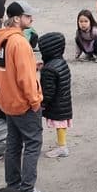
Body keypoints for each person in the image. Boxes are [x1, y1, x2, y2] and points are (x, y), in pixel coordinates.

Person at [0, 2, 49, 192]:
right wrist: (35, 102)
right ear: (17, 19)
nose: (31, 20)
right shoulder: (20, 43)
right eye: (28, 17)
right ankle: (28, 190)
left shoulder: (0, 41)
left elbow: (4, 71)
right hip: (23, 102)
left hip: (7, 100)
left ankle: (13, 186)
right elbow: (25, 77)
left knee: (13, 145)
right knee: (33, 143)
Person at [38, 30, 75, 159]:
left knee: (59, 124)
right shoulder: (61, 63)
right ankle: (61, 144)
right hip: (64, 101)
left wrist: (42, 103)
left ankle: (62, 147)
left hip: (56, 104)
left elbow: (48, 90)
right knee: (62, 124)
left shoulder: (49, 69)